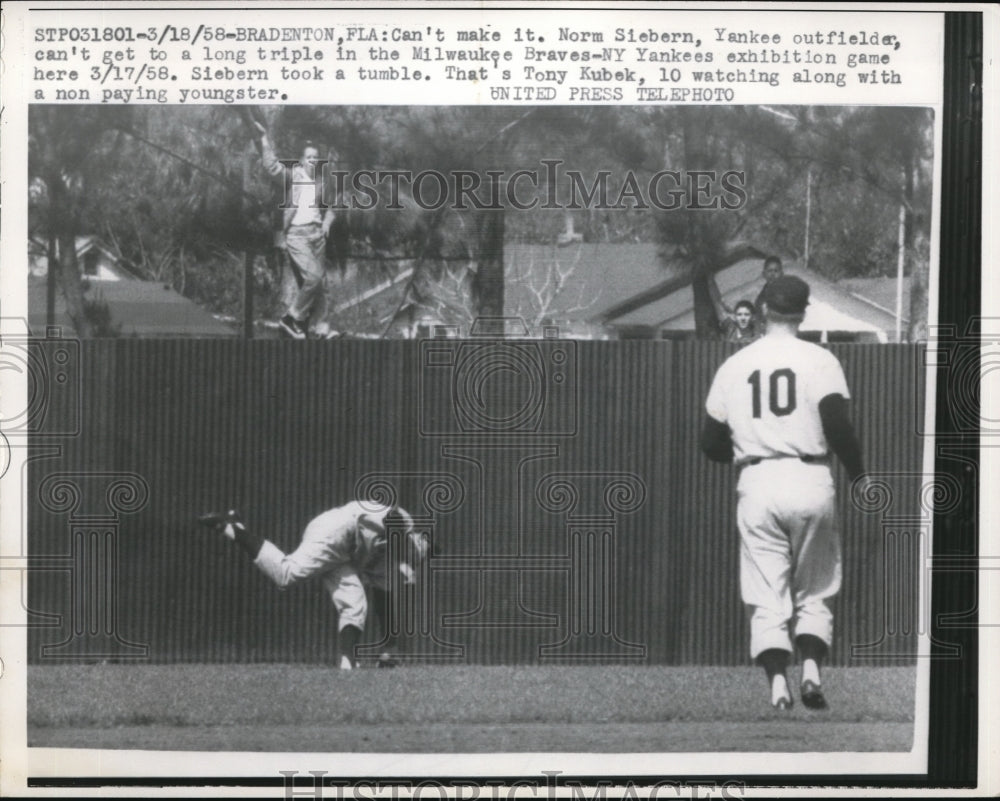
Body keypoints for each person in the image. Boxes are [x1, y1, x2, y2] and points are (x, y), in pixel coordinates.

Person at [699, 275, 866, 711]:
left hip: (758, 479)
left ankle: (777, 685)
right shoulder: (821, 360)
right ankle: (811, 670)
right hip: (811, 477)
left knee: (765, 590)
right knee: (816, 586)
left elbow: (710, 443)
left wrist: (749, 450)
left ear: (763, 310)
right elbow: (838, 426)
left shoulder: (735, 364)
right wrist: (859, 473)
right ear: (804, 312)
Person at [198, 501, 429, 669]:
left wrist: (390, 647)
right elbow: (393, 518)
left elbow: (383, 601)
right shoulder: (402, 523)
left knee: (355, 602)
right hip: (334, 531)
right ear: (414, 540)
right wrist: (405, 560)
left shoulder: (388, 560)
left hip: (343, 554)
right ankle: (234, 530)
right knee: (285, 575)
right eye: (412, 554)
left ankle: (348, 664)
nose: (410, 559)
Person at [255, 121, 335, 339]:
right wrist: (263, 139)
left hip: (317, 236)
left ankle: (321, 329)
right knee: (314, 277)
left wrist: (326, 224)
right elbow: (272, 167)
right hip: (297, 235)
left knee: (322, 285)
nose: (312, 161)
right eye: (309, 157)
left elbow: (331, 208)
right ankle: (291, 317)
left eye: (315, 158)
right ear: (302, 160)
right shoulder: (294, 176)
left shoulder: (321, 182)